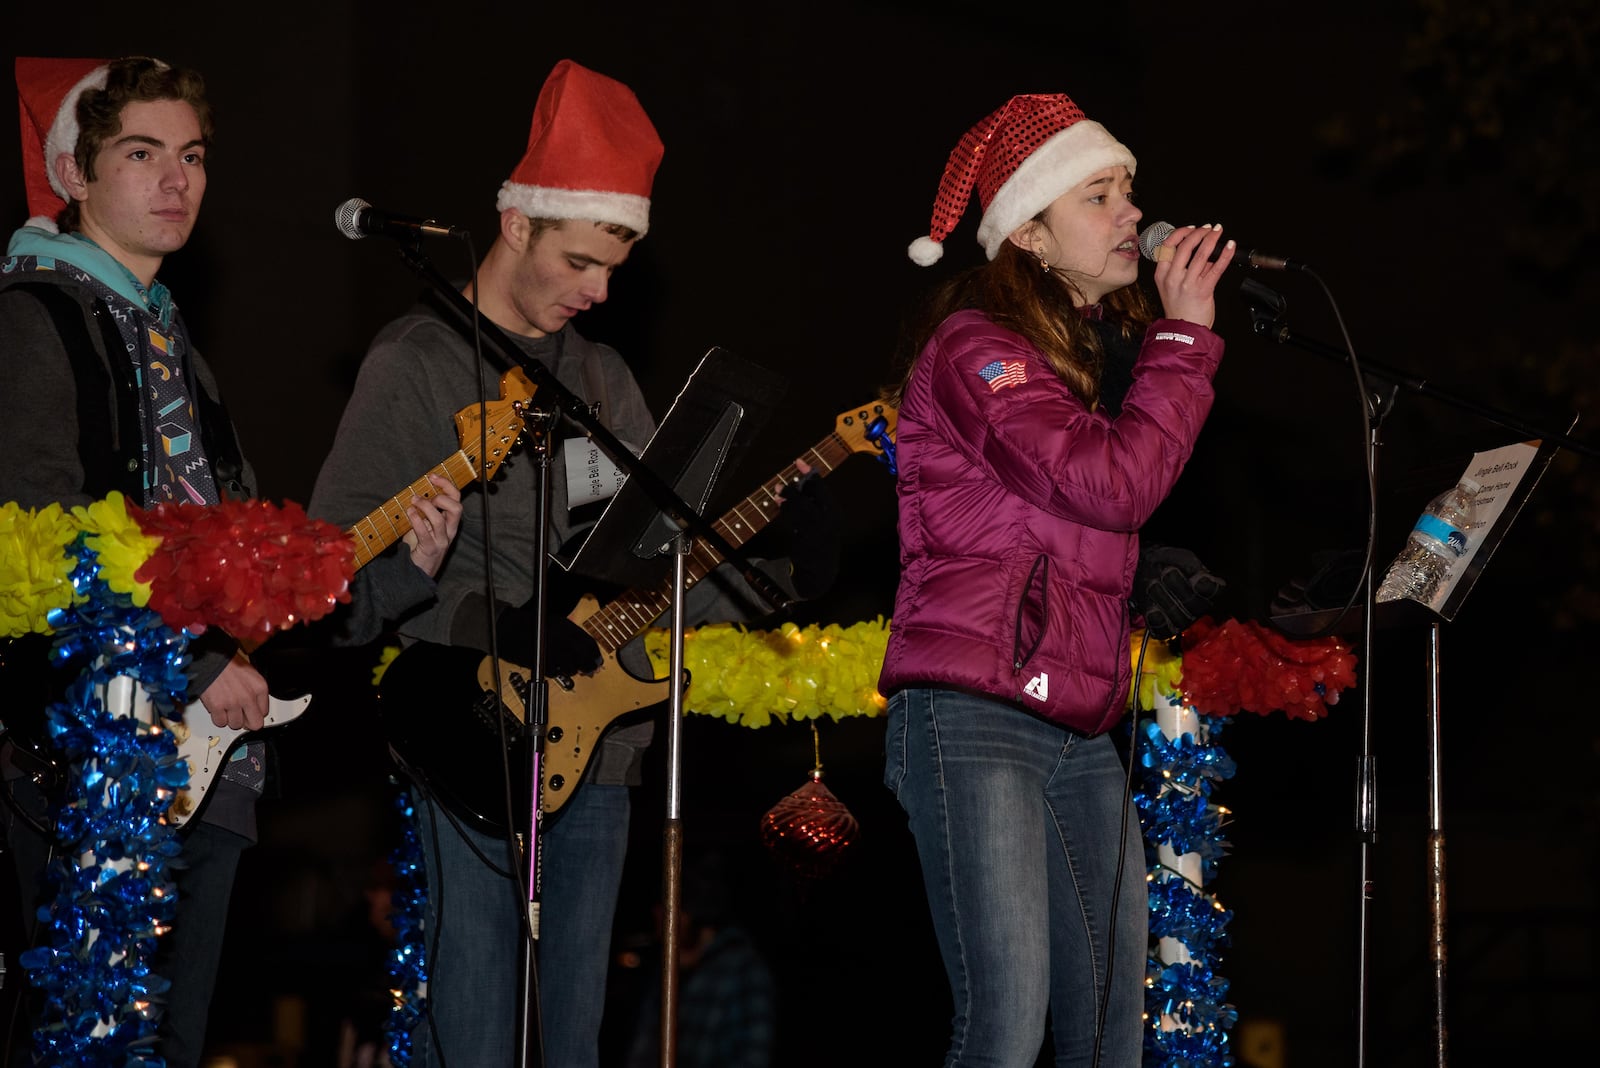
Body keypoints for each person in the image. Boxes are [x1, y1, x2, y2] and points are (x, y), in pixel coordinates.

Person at [308, 58, 836, 1068]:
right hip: (473, 733)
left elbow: (657, 564)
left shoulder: (602, 378)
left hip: (600, 752)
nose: (597, 291)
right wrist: (486, 622)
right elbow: (338, 569)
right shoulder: (415, 362)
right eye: (581, 262)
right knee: (473, 1020)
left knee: (573, 1039)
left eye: (613, 271)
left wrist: (779, 572)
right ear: (518, 226)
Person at [0, 56, 460, 1067]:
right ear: (75, 173)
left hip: (210, 761)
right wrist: (196, 665)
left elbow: (260, 579)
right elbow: (40, 535)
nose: (178, 180)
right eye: (143, 154)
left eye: (195, 156)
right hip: (97, 753)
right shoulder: (37, 320)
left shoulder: (178, 353)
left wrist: (393, 576)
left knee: (173, 1040)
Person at [876, 90, 1235, 1066]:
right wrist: (1185, 338)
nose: (1131, 213)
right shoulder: (976, 349)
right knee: (1003, 1026)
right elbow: (1105, 481)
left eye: (1129, 189)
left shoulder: (1092, 357)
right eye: (1098, 195)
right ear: (1028, 233)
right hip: (972, 713)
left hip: (1075, 724)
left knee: (1107, 1034)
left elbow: (1092, 508)